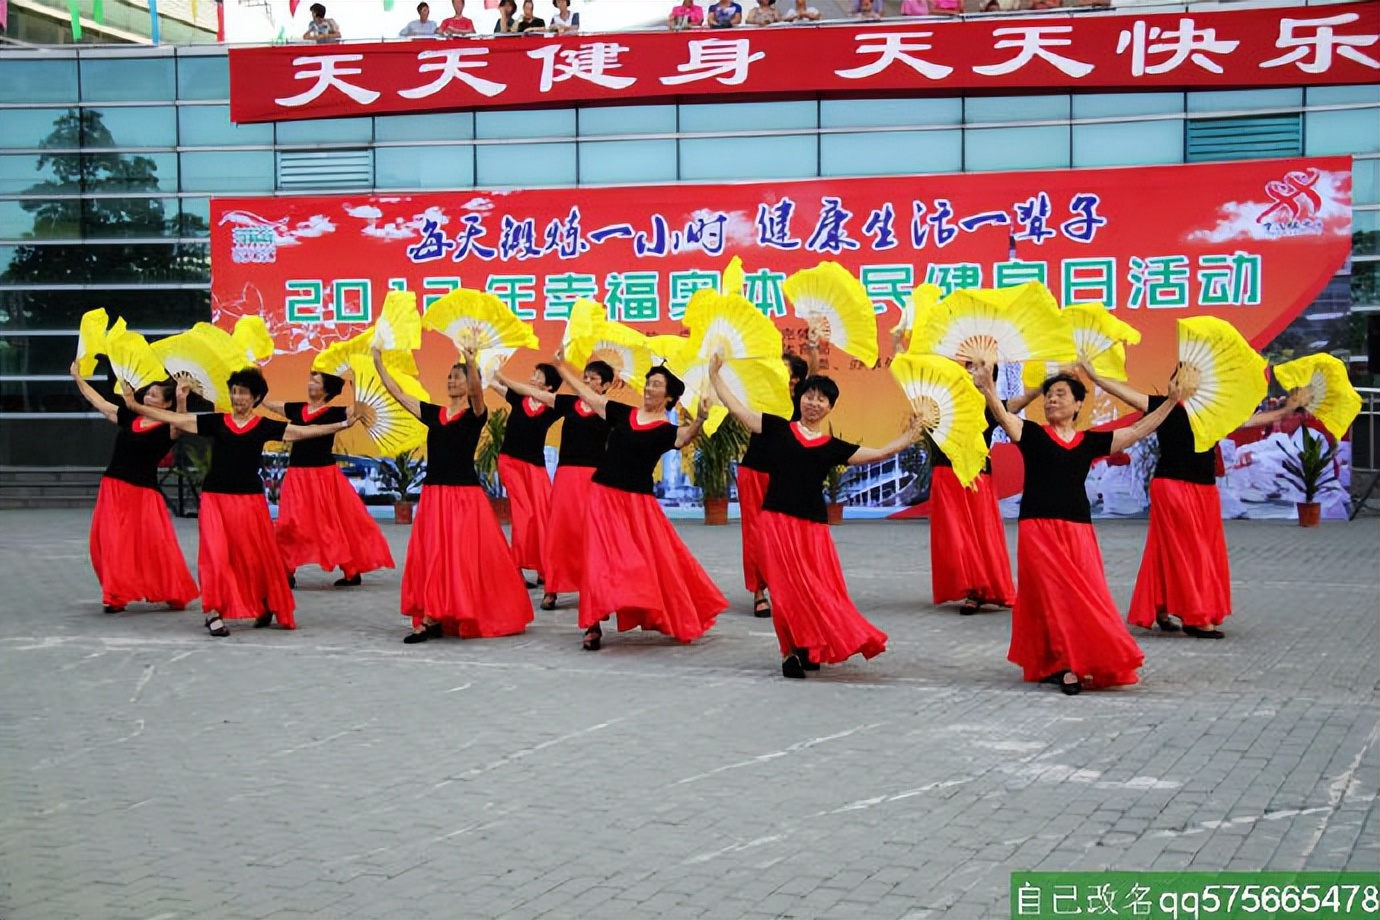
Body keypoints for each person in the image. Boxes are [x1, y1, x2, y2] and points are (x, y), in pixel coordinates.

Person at [711, 357, 923, 678]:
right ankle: (789, 653)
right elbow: (740, 411)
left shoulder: (830, 446)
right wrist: (715, 377)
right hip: (776, 523)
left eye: (821, 399)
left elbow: (877, 453)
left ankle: (811, 645)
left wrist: (909, 435)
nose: (813, 402)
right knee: (783, 590)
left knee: (815, 587)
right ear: (800, 398)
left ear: (829, 408)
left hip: (812, 529)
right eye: (809, 396)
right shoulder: (779, 429)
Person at [975, 365, 1180, 694]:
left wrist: (1171, 401)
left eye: (1061, 395)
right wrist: (987, 387)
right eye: (1050, 395)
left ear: (1077, 405)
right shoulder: (1034, 435)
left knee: (1086, 596)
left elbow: (1140, 430)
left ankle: (1084, 656)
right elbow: (1002, 417)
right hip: (1037, 530)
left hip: (1078, 531)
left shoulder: (1089, 443)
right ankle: (1066, 665)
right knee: (1051, 597)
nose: (1052, 400)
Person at [1081, 362, 1309, 640]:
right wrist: (1094, 375)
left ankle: (1160, 607)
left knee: (1170, 548)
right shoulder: (1162, 405)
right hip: (1172, 486)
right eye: (1184, 374)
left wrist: (1287, 410)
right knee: (1190, 550)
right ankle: (1194, 616)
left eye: (1196, 375)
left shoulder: (1211, 411)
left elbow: (1247, 422)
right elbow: (1122, 392)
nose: (1191, 379)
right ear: (1175, 380)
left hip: (1205, 489)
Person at [123, 368, 354, 638]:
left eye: (243, 392)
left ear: (255, 397)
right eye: (234, 391)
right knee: (214, 554)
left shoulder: (264, 426)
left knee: (254, 557)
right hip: (214, 500)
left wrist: (340, 425)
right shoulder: (216, 422)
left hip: (249, 502)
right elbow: (178, 420)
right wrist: (134, 405)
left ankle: (264, 603)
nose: (237, 397)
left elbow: (302, 432)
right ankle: (214, 612)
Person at [551, 352, 725, 651]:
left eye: (656, 384)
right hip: (602, 495)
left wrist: (700, 418)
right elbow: (586, 394)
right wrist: (560, 368)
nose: (648, 388)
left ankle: (662, 607)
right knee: (597, 559)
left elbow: (684, 438)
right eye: (647, 382)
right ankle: (592, 625)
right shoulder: (621, 412)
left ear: (668, 397)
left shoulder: (664, 430)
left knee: (654, 560)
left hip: (637, 504)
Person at [372, 340, 533, 644]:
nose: (451, 380)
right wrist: (378, 360)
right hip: (434, 495)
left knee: (460, 557)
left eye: (457, 376)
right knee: (433, 556)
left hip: (463, 496)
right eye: (449, 377)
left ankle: (454, 611)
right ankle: (429, 617)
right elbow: (398, 393)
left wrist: (471, 361)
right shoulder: (435, 414)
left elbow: (477, 393)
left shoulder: (476, 414)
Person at [71, 363, 199, 615]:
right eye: (148, 393)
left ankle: (171, 590)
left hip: (142, 494)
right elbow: (101, 403)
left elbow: (181, 423)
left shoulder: (167, 427)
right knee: (108, 542)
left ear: (165, 405)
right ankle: (115, 594)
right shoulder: (130, 417)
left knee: (152, 547)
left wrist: (182, 399)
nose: (147, 396)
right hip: (113, 487)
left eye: (154, 395)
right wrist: (78, 378)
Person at [261, 371, 394, 590]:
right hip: (297, 476)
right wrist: (259, 380)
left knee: (332, 523)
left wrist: (356, 386)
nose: (310, 382)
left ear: (325, 389)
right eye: (310, 378)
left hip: (323, 476)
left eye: (315, 380)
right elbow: (268, 404)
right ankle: (285, 570)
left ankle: (351, 570)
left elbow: (359, 410)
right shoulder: (296, 409)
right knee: (289, 523)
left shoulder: (335, 413)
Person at [499, 360, 614, 611]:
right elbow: (534, 393)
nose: (587, 381)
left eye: (594, 379)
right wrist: (498, 375)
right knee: (560, 532)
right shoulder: (568, 404)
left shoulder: (609, 410)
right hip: (566, 477)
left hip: (594, 478)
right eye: (586, 376)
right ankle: (552, 588)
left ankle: (592, 585)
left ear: (606, 386)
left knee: (589, 533)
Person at [928, 370, 1039, 616]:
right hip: (946, 476)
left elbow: (1018, 403)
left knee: (978, 536)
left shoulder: (990, 408)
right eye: (968, 368)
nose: (971, 373)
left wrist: (1043, 386)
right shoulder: (943, 404)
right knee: (954, 538)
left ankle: (978, 590)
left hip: (977, 478)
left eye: (978, 369)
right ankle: (968, 586)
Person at [736, 338, 818, 618]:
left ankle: (787, 586)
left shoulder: (804, 402)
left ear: (795, 379)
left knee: (785, 535)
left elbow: (814, 377)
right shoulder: (760, 397)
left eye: (784, 371)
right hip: (755, 471)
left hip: (786, 475)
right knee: (755, 535)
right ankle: (759, 592)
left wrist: (814, 349)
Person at [490, 361, 564, 592]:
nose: (532, 377)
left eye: (538, 375)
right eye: (533, 373)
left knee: (544, 516)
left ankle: (544, 568)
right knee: (524, 515)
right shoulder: (518, 398)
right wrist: (480, 368)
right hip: (511, 463)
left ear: (550, 386)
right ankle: (516, 569)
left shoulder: (552, 407)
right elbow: (493, 384)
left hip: (536, 467)